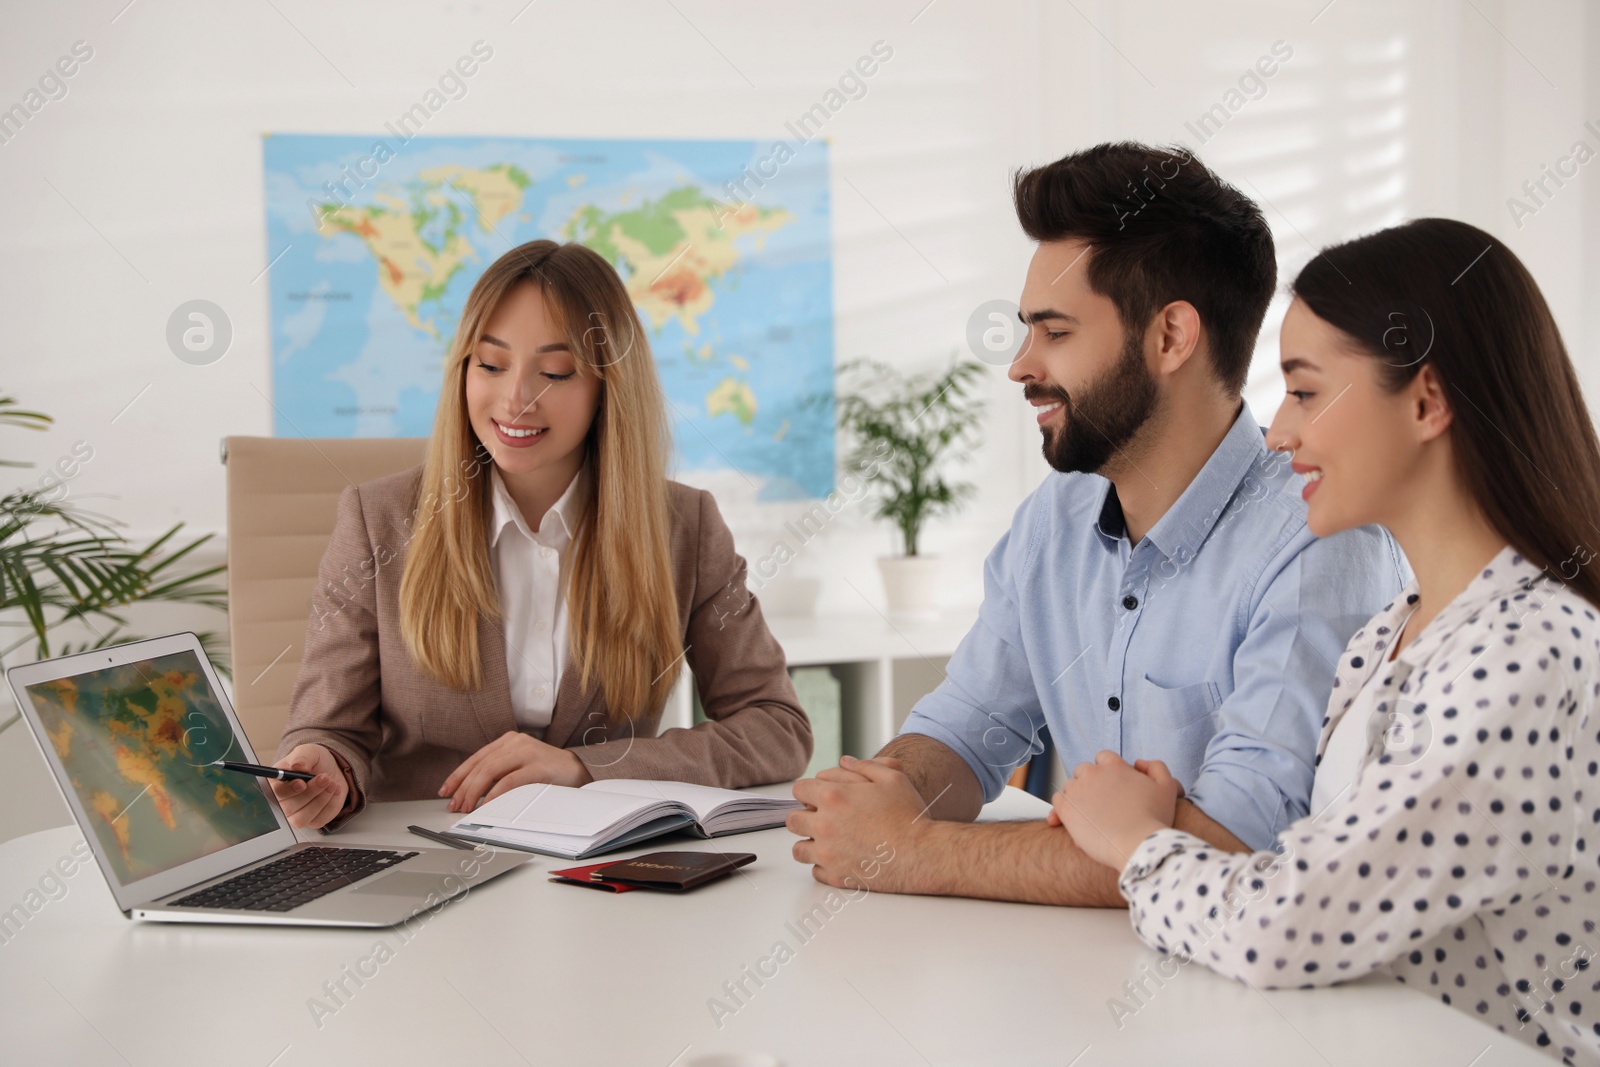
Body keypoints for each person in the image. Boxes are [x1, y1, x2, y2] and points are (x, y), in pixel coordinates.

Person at [786, 141, 1408, 905]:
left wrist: (913, 850)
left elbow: (1233, 843)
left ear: (1171, 338)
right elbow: (966, 725)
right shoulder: (1057, 518)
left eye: (1055, 332)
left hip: (1245, 1001)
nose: (1019, 364)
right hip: (1085, 977)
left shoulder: (1317, 538)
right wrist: (880, 800)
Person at [1053, 218, 1600, 1066]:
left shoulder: (1527, 654)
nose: (1277, 433)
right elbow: (1310, 874)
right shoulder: (1391, 635)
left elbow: (1289, 921)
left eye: (1306, 392)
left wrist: (1134, 838)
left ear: (1426, 400)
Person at [270, 240, 812, 830]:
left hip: (599, 869)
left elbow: (777, 727)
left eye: (554, 372)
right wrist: (323, 766)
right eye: (491, 364)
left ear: (609, 385)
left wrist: (585, 767)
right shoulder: (376, 521)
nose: (516, 399)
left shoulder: (685, 527)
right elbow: (329, 729)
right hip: (427, 857)